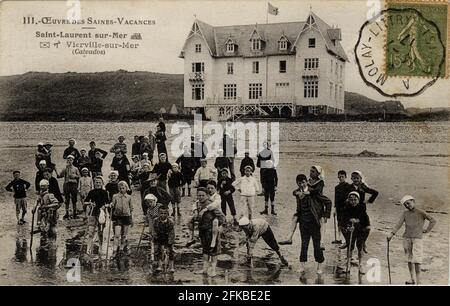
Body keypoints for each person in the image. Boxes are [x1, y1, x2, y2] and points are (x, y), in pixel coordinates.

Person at [387, 195, 436, 285]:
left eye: (408, 203)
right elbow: (399, 224)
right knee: (409, 258)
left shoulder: (421, 212)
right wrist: (392, 233)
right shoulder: (405, 213)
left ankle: (418, 281)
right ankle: (412, 278)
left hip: (417, 239)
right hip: (406, 238)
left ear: (413, 201)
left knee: (417, 259)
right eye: (405, 205)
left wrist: (427, 230)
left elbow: (433, 220)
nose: (407, 206)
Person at [294, 174, 331, 275]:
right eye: (299, 183)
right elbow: (297, 199)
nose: (301, 184)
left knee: (317, 245)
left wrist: (325, 215)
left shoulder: (314, 191)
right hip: (303, 223)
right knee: (304, 244)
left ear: (307, 182)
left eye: (303, 182)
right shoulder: (297, 192)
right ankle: (302, 266)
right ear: (297, 183)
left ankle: (319, 267)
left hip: (315, 223)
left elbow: (328, 201)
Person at [194, 188, 226, 277]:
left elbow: (222, 217)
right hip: (202, 230)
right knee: (205, 250)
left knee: (213, 251)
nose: (200, 197)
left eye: (202, 195)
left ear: (207, 196)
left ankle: (213, 270)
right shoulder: (197, 204)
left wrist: (215, 223)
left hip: (212, 232)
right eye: (199, 195)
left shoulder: (211, 205)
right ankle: (205, 269)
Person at [341, 192, 371, 274]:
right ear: (348, 200)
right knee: (350, 247)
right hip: (350, 230)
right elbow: (343, 220)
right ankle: (348, 265)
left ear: (358, 200)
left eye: (355, 200)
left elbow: (366, 222)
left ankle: (361, 265)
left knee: (359, 246)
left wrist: (358, 221)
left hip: (360, 230)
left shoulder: (361, 208)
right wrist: (348, 225)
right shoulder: (346, 208)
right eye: (351, 200)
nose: (353, 201)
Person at [349, 170, 379, 252]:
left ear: (360, 178)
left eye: (357, 178)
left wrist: (369, 201)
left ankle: (363, 242)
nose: (355, 180)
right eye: (354, 178)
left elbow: (375, 193)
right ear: (351, 178)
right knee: (350, 228)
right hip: (351, 210)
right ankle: (348, 243)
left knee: (367, 228)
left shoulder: (363, 187)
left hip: (361, 210)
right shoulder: (349, 187)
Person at [84, 176, 109, 256]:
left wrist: (105, 206)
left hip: (101, 213)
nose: (97, 184)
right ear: (94, 183)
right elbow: (85, 202)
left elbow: (108, 203)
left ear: (102, 183)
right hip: (92, 213)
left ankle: (101, 248)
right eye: (96, 182)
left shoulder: (104, 192)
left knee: (100, 232)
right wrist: (90, 203)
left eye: (99, 182)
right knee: (90, 232)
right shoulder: (91, 192)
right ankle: (88, 249)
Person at [33, 179, 61, 248]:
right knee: (44, 228)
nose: (42, 188)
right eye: (41, 186)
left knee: (51, 229)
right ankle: (46, 243)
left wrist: (47, 206)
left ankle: (52, 244)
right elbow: (37, 203)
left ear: (47, 187)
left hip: (51, 214)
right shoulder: (40, 195)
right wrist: (34, 208)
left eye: (44, 186)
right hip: (44, 214)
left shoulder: (50, 195)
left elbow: (56, 203)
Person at [109, 181, 133, 257]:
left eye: (123, 188)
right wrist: (111, 205)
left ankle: (122, 249)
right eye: (120, 188)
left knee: (124, 235)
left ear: (126, 188)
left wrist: (131, 219)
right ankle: (115, 250)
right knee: (117, 234)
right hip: (118, 216)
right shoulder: (115, 196)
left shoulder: (129, 197)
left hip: (126, 217)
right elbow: (113, 205)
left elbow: (131, 208)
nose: (121, 189)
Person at [57, 155, 80, 219]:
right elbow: (59, 176)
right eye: (68, 160)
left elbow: (79, 176)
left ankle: (74, 213)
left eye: (71, 160)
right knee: (67, 199)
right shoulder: (65, 168)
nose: (70, 161)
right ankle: (67, 213)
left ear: (73, 161)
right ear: (67, 161)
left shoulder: (76, 168)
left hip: (73, 184)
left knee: (74, 199)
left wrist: (74, 176)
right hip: (67, 185)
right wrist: (55, 170)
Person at [153, 206, 175, 272]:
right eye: (161, 213)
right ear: (158, 213)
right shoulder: (156, 220)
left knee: (170, 251)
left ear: (167, 214)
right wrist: (155, 237)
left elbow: (172, 233)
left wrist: (170, 242)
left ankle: (171, 266)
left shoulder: (170, 222)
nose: (163, 215)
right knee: (159, 251)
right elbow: (154, 230)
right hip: (159, 236)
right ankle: (160, 265)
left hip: (167, 236)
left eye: (165, 213)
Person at [335, 170, 352, 245]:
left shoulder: (348, 186)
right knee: (339, 222)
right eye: (340, 176)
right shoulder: (337, 187)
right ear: (338, 177)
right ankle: (339, 239)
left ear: (345, 177)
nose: (341, 178)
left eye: (342, 176)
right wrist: (335, 209)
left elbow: (350, 197)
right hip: (339, 207)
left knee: (345, 223)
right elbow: (336, 199)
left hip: (346, 207)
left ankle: (346, 239)